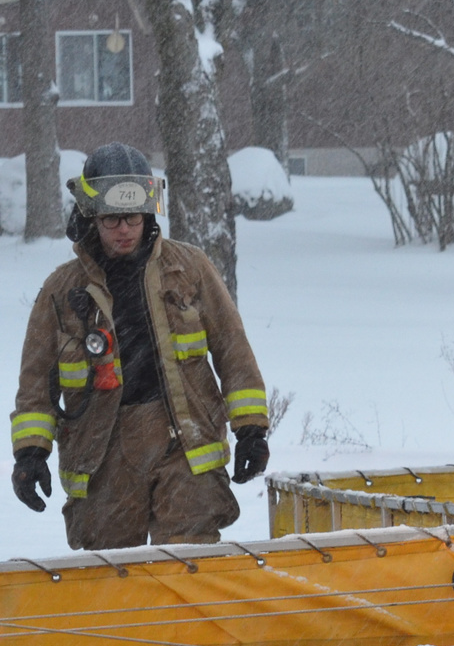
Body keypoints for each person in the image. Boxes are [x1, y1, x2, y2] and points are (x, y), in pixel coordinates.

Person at [11, 144, 271, 547]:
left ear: (148, 212)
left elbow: (233, 351)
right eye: (112, 218)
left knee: (188, 570)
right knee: (114, 581)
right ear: (91, 216)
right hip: (103, 454)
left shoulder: (191, 269)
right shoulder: (60, 292)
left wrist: (251, 430)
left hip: (185, 446)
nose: (124, 229)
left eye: (132, 217)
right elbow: (34, 387)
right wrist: (30, 454)